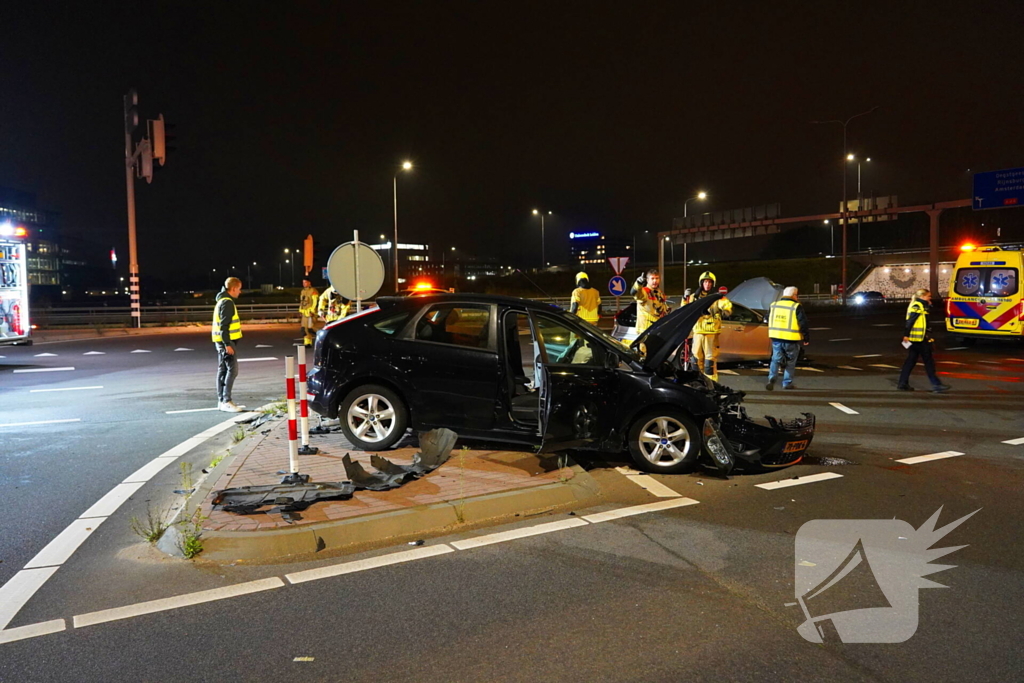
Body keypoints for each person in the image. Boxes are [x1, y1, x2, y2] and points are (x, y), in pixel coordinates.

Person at [898, 289, 951, 393]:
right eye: (928, 296)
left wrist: (928, 305)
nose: (930, 298)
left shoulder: (921, 305)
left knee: (911, 361)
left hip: (918, 338)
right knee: (928, 361)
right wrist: (906, 335)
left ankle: (902, 383)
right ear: (922, 296)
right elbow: (910, 321)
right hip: (918, 339)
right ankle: (936, 385)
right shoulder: (918, 305)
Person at [686, 271, 732, 380]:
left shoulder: (718, 297)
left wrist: (727, 310)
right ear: (701, 283)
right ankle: (698, 383)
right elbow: (685, 308)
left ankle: (711, 385)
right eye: (705, 282)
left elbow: (725, 305)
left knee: (709, 362)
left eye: (710, 282)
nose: (707, 284)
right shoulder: (694, 297)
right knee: (696, 360)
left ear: (713, 284)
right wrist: (685, 297)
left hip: (711, 333)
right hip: (698, 332)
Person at [766, 286, 809, 391]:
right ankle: (787, 383)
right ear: (793, 295)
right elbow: (803, 323)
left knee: (775, 359)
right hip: (791, 339)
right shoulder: (796, 306)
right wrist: (806, 337)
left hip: (776, 337)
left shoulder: (774, 305)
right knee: (790, 361)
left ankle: (772, 378)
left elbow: (766, 318)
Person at [212, 277, 245, 412]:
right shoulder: (227, 303)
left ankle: (222, 400)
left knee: (223, 370)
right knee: (232, 370)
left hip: (221, 341)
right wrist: (227, 344)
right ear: (233, 289)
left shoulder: (221, 300)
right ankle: (226, 401)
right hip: (226, 342)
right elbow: (224, 326)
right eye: (239, 289)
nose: (240, 292)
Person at [632, 268, 670, 334]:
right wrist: (638, 284)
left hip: (656, 329)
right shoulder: (645, 292)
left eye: (657, 278)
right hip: (645, 331)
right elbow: (636, 293)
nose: (655, 281)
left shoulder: (659, 293)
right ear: (647, 280)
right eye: (652, 278)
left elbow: (663, 309)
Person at [298, 278, 319, 346]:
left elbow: (315, 302)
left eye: (305, 282)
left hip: (310, 313)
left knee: (311, 328)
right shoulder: (302, 291)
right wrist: (300, 311)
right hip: (304, 312)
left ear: (309, 283)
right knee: (304, 328)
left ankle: (321, 335)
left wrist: (312, 311)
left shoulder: (313, 291)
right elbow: (302, 302)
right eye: (303, 282)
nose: (304, 284)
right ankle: (307, 343)